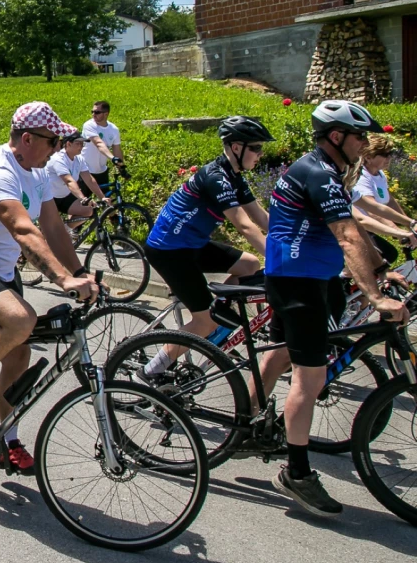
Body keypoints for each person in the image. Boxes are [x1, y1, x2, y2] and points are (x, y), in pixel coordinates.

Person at [251, 101, 408, 516]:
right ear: (336, 137)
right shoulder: (319, 172)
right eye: (360, 137)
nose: (365, 143)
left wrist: (382, 269)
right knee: (310, 375)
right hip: (297, 280)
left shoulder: (330, 170)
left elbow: (353, 225)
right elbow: (347, 236)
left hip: (309, 276)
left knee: (283, 353)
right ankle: (297, 474)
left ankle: (245, 419)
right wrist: (374, 296)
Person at [0, 102, 98, 473]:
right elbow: (23, 229)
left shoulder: (37, 171)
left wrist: (79, 272)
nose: (57, 147)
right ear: (27, 138)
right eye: (52, 140)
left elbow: (53, 228)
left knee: (20, 353)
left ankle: (7, 439)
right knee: (20, 321)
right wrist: (62, 279)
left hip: (0, 269)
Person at [138, 117, 274, 391]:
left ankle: (218, 324)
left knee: (248, 264)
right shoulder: (216, 178)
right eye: (256, 148)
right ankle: (149, 371)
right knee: (204, 321)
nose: (261, 154)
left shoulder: (233, 176)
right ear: (236, 147)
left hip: (192, 244)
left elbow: (261, 217)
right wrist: (281, 260)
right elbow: (246, 226)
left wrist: (295, 244)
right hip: (169, 250)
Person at [346, 134, 417, 265]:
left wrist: (410, 224)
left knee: (387, 256)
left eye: (390, 153)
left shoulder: (379, 174)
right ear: (368, 157)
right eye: (385, 154)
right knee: (385, 256)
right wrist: (397, 232)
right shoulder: (362, 178)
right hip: (359, 227)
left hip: (368, 226)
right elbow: (372, 211)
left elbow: (389, 201)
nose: (389, 157)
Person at [45, 132, 108, 230]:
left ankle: (65, 231)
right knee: (49, 230)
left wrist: (102, 198)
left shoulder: (79, 159)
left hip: (64, 196)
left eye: (82, 144)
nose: (81, 146)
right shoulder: (58, 159)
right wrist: (83, 199)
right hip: (49, 198)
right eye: (78, 143)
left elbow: (89, 179)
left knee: (87, 211)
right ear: (68, 144)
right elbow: (69, 181)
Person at [81, 100, 124, 192]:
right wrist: (112, 158)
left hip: (102, 171)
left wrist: (121, 167)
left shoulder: (114, 129)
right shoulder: (89, 125)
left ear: (106, 114)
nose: (93, 114)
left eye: (97, 112)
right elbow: (99, 143)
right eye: (92, 112)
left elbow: (117, 149)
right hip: (85, 170)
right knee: (85, 203)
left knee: (106, 202)